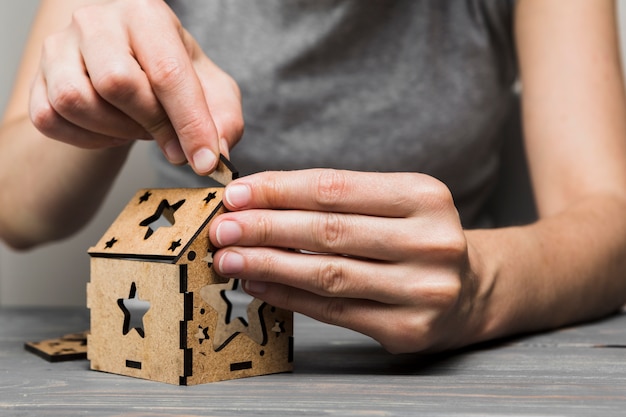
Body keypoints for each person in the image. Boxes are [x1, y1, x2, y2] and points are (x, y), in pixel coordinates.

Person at [1, 0, 626, 354]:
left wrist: (478, 285)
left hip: (439, 365)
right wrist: (98, 90)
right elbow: (16, 207)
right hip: (195, 349)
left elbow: (610, 221)